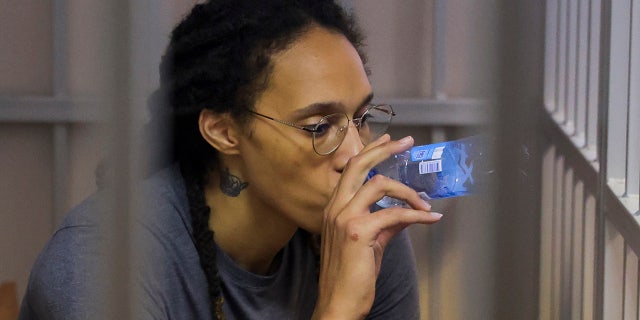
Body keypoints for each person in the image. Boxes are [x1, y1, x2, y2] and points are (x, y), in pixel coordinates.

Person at [19, 0, 442, 319]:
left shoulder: (361, 231)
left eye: (361, 118)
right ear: (224, 131)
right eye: (318, 127)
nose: (355, 154)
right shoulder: (97, 261)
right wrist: (337, 309)